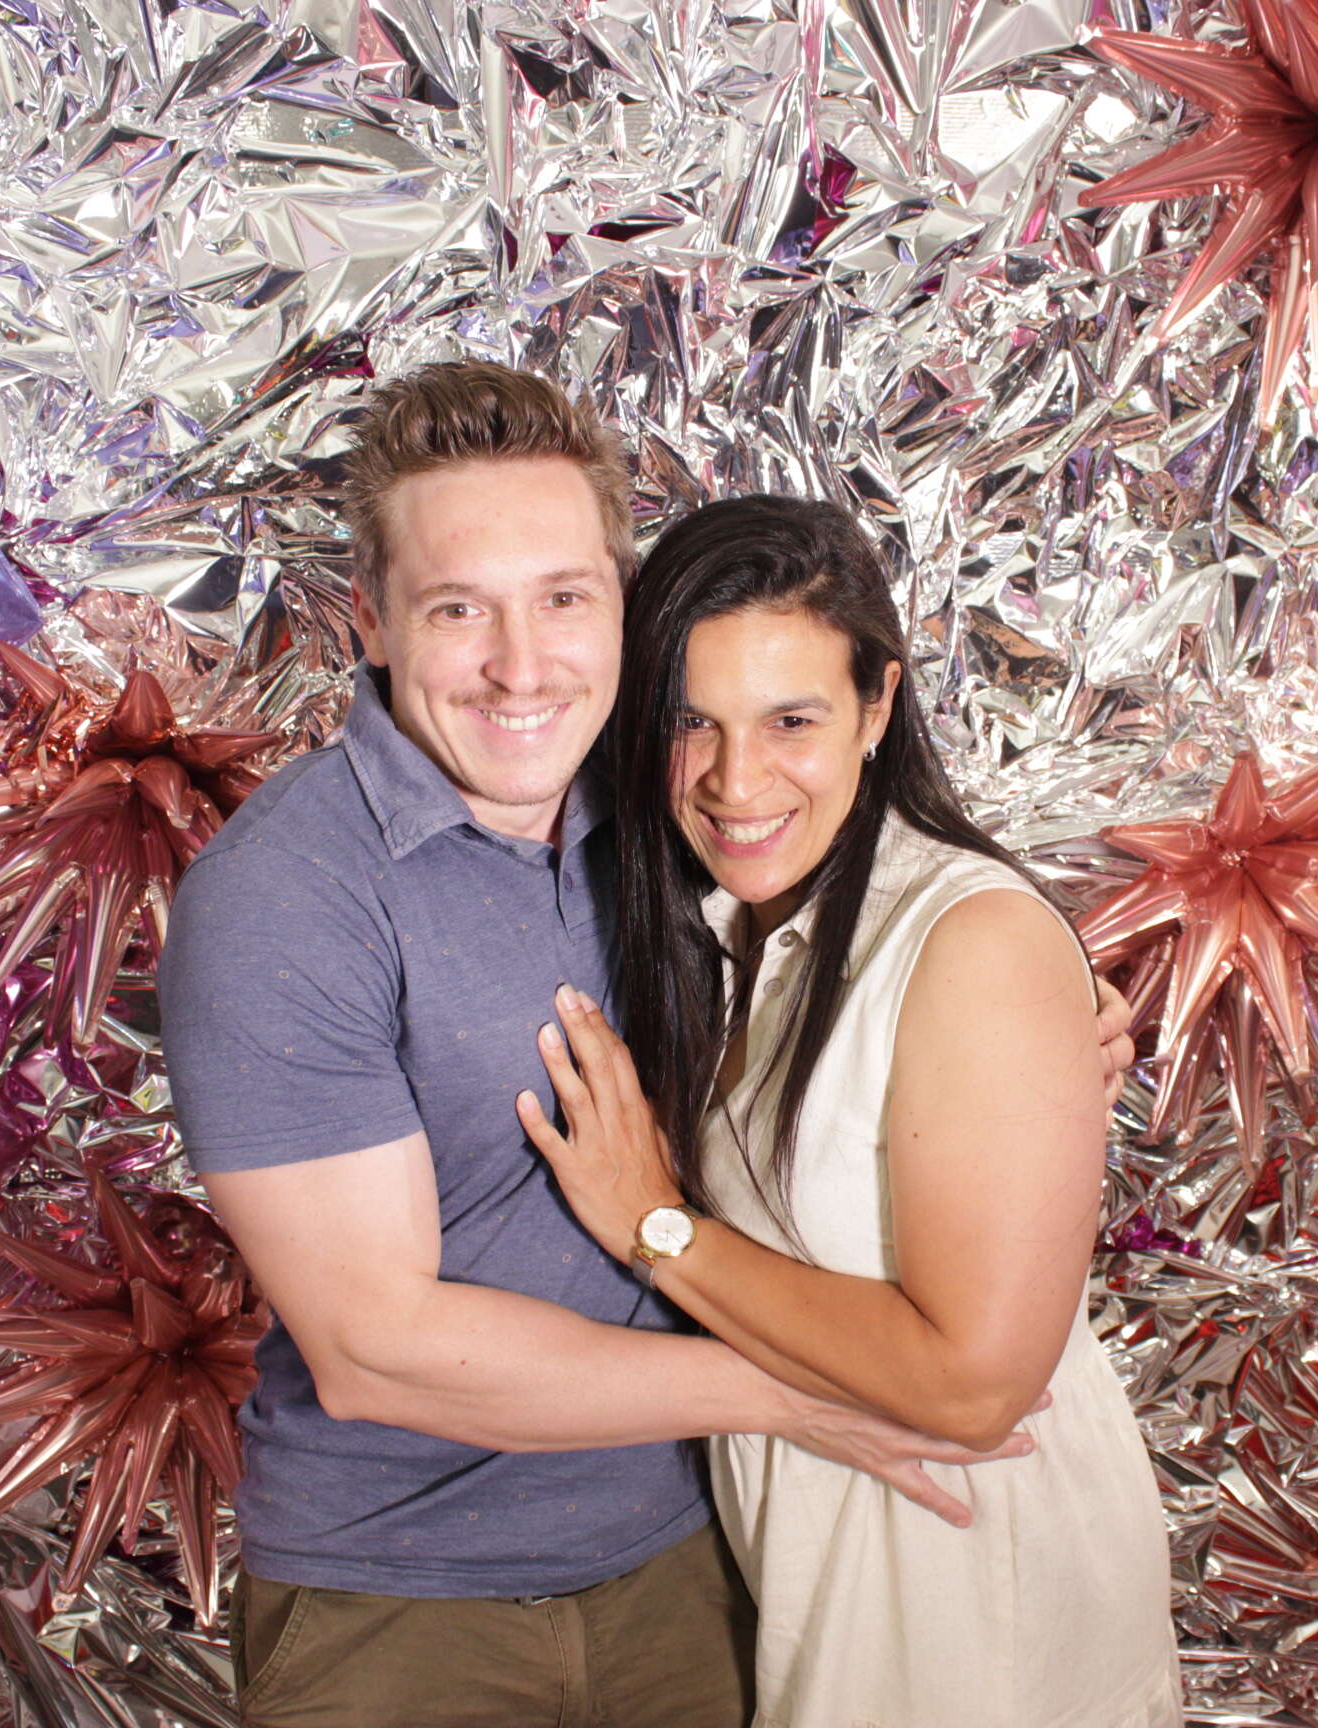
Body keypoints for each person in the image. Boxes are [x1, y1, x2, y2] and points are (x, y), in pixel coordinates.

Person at [158, 364, 1136, 1727]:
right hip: (405, 1599)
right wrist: (789, 1392)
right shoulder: (286, 899)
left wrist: (1022, 1045)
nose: (521, 665)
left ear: (620, 602)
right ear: (370, 620)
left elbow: (870, 965)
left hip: (699, 1564)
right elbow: (377, 1349)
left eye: (563, 598)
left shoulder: (680, 813)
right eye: (458, 608)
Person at [515, 495, 1185, 1728]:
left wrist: (657, 1226)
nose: (735, 779)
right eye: (691, 722)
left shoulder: (963, 938)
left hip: (977, 1601)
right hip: (833, 1589)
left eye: (792, 720)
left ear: (877, 708)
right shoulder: (729, 933)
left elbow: (975, 1386)